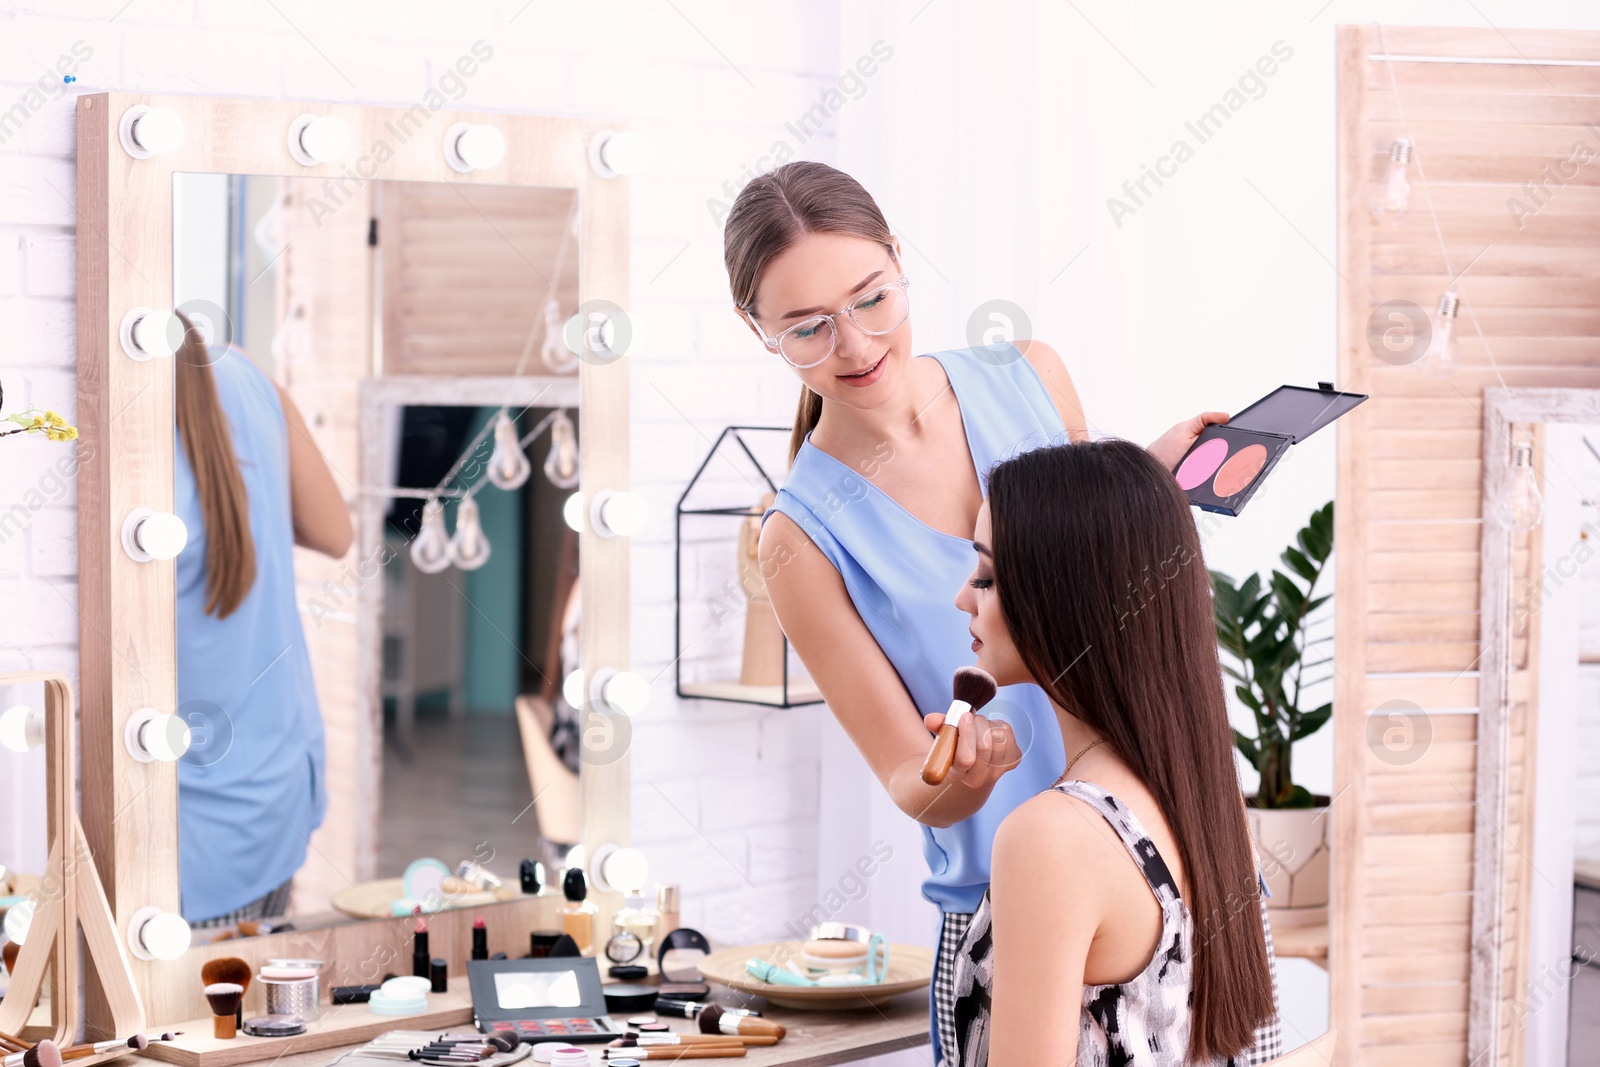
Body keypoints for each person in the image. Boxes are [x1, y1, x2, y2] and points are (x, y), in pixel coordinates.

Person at [727, 161, 1255, 1062]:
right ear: (758, 331)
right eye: (807, 328)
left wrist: (1145, 487)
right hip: (1013, 909)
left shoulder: (1032, 379)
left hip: (1160, 861)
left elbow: (1096, 590)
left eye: (872, 299)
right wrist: (958, 775)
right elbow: (908, 776)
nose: (853, 345)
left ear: (900, 260)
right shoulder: (800, 538)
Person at [950, 439, 1280, 1066]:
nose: (963, 598)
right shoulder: (1203, 797)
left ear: (1066, 599)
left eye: (988, 577)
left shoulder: (1050, 838)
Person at [172, 313, 352, 925]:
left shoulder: (119, 428)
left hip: (186, 841)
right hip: (275, 800)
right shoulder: (246, 374)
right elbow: (336, 531)